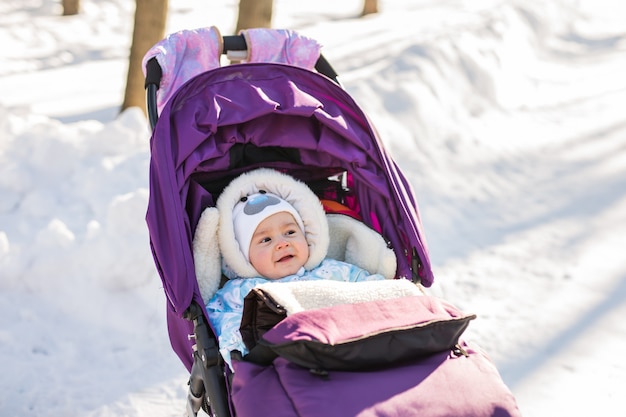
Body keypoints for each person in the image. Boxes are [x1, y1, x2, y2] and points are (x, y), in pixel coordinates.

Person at [205, 169, 385, 368]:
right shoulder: (241, 291)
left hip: (346, 345)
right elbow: (220, 318)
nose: (282, 243)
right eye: (266, 240)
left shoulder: (331, 271)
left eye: (290, 232)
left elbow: (369, 289)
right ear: (242, 257)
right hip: (285, 360)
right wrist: (239, 348)